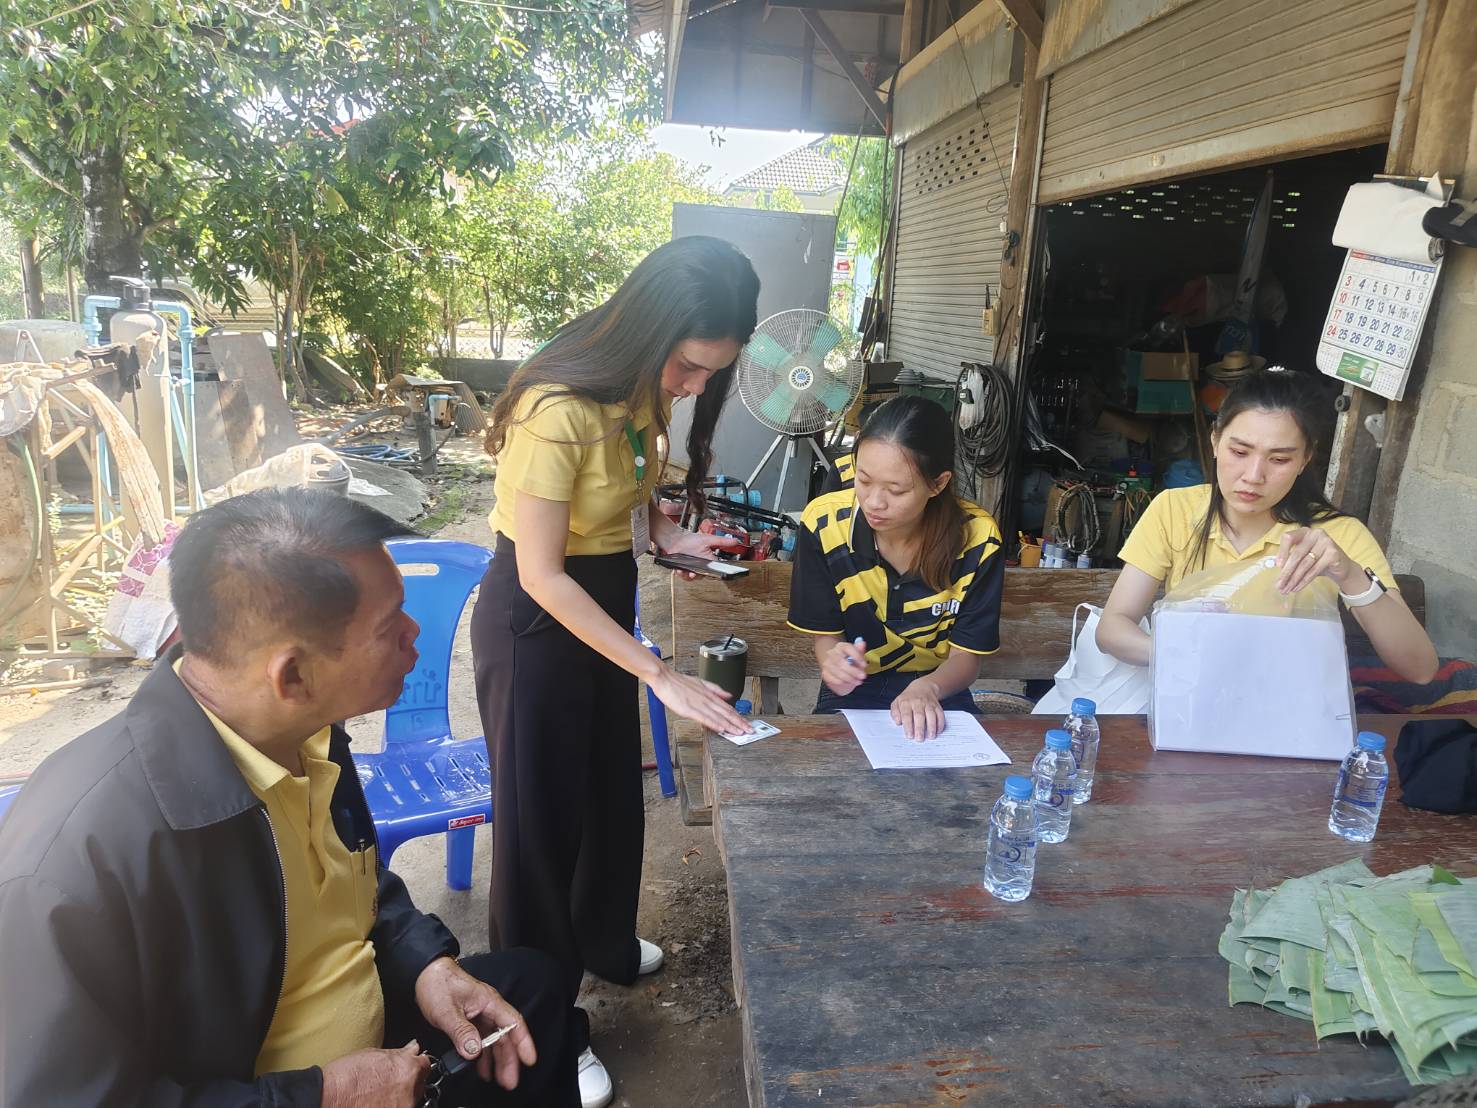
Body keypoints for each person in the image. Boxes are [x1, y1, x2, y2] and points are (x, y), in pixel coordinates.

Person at [0, 489, 580, 1107]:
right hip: (260, 1087)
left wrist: (424, 965)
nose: (415, 634)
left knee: (531, 993)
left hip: (365, 1037)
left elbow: (353, 886)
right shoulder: (72, 865)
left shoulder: (305, 730)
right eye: (391, 626)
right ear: (293, 675)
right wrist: (322, 1096)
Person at [473, 235, 760, 1108]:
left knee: (606, 795)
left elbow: (625, 496)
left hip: (599, 601)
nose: (693, 386)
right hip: (536, 621)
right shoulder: (555, 406)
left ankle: (600, 940)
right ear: (648, 328)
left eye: (710, 373)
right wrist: (657, 672)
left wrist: (668, 538)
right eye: (688, 366)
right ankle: (544, 1030)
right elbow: (541, 571)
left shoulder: (639, 388)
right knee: (539, 831)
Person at [1097, 368, 1439, 684]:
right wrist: (1183, 657)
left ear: (1305, 459)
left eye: (1279, 459)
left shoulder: (1338, 534)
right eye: (1240, 452)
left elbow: (1420, 670)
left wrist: (1350, 575)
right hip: (1192, 692)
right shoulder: (1175, 510)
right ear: (1215, 441)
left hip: (1290, 703)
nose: (1253, 476)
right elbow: (1112, 627)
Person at [787, 396, 1006, 741]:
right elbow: (826, 636)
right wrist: (834, 661)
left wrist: (928, 688)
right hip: (857, 685)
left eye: (896, 490)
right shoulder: (824, 524)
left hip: (939, 686)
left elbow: (966, 657)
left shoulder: (978, 539)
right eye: (864, 480)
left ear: (938, 484)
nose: (874, 502)